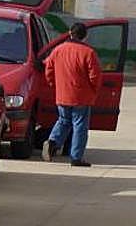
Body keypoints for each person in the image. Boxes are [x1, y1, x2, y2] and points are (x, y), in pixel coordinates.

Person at [42, 22, 102, 167]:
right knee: (80, 126)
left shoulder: (58, 50)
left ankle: (52, 142)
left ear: (70, 33)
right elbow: (95, 76)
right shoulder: (88, 53)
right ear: (85, 36)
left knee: (63, 120)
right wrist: (94, 90)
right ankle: (76, 157)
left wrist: (55, 85)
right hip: (81, 96)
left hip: (62, 94)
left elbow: (48, 70)